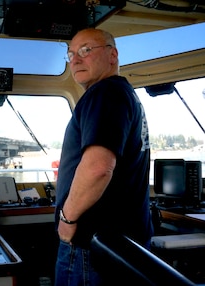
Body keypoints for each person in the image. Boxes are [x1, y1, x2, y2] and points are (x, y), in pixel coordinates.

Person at [54, 28, 153, 286]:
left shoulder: (104, 93)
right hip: (124, 244)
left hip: (92, 245)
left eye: (86, 50)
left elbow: (98, 168)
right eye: (71, 54)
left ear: (112, 55)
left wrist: (67, 219)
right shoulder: (125, 95)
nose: (75, 59)